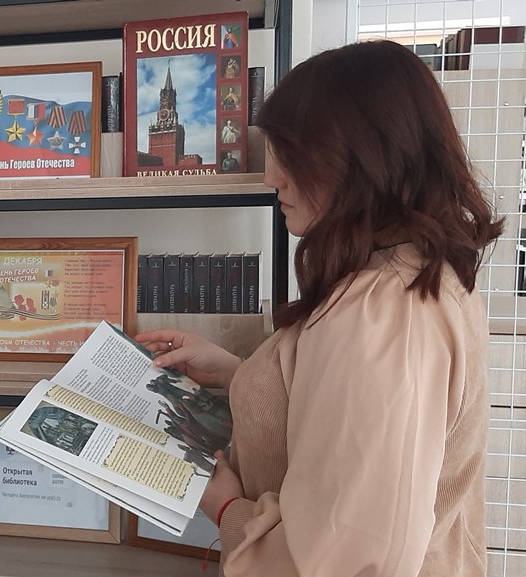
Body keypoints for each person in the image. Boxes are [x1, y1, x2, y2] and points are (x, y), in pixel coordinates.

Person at [137, 40, 502, 576]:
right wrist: (241, 375)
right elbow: (350, 419)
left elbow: (345, 558)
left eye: (292, 155)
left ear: (361, 159)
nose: (272, 178)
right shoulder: (409, 275)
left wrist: (226, 507)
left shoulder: (384, 314)